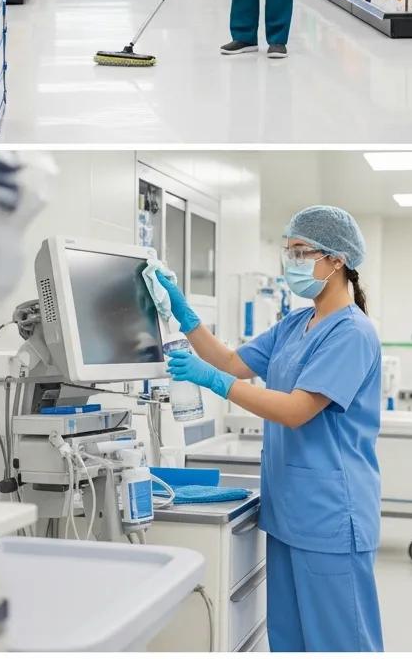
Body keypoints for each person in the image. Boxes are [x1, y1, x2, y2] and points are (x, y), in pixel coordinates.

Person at [158, 205, 383, 652]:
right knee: (291, 641)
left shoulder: (353, 333)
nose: (290, 263)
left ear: (337, 260)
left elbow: (297, 410)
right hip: (288, 513)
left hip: (331, 515)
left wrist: (212, 382)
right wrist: (184, 314)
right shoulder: (298, 323)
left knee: (339, 643)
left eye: (300, 252)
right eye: (288, 252)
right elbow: (233, 362)